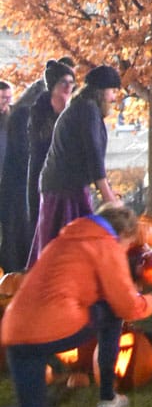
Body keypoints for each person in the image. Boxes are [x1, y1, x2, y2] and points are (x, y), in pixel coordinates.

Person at [0, 202, 152, 407]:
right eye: (127, 245)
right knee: (114, 312)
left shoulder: (64, 240)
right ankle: (108, 397)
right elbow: (127, 306)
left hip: (14, 333)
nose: (125, 250)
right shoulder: (105, 245)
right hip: (50, 329)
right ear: (123, 235)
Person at [31, 64, 122, 259]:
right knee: (69, 242)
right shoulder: (87, 110)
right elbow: (93, 154)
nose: (114, 97)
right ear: (100, 91)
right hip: (64, 187)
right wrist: (108, 196)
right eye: (112, 91)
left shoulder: (85, 108)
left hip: (68, 184)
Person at [0, 66, 60, 271]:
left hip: (16, 181)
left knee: (17, 227)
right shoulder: (17, 118)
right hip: (11, 180)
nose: (5, 102)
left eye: (8, 97)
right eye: (2, 98)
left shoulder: (17, 116)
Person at [26, 60, 77, 248]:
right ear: (54, 86)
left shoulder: (75, 110)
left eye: (71, 83)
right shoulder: (39, 111)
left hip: (69, 178)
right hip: (43, 175)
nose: (69, 87)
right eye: (64, 82)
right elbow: (43, 142)